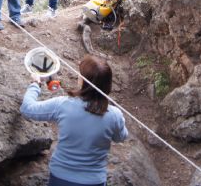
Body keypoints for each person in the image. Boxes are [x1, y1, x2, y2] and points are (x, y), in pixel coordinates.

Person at [20, 54, 128, 186]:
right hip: (94, 181)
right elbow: (121, 137)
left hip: (60, 178)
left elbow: (27, 109)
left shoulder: (63, 105)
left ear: (83, 81)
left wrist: (35, 84)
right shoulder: (115, 115)